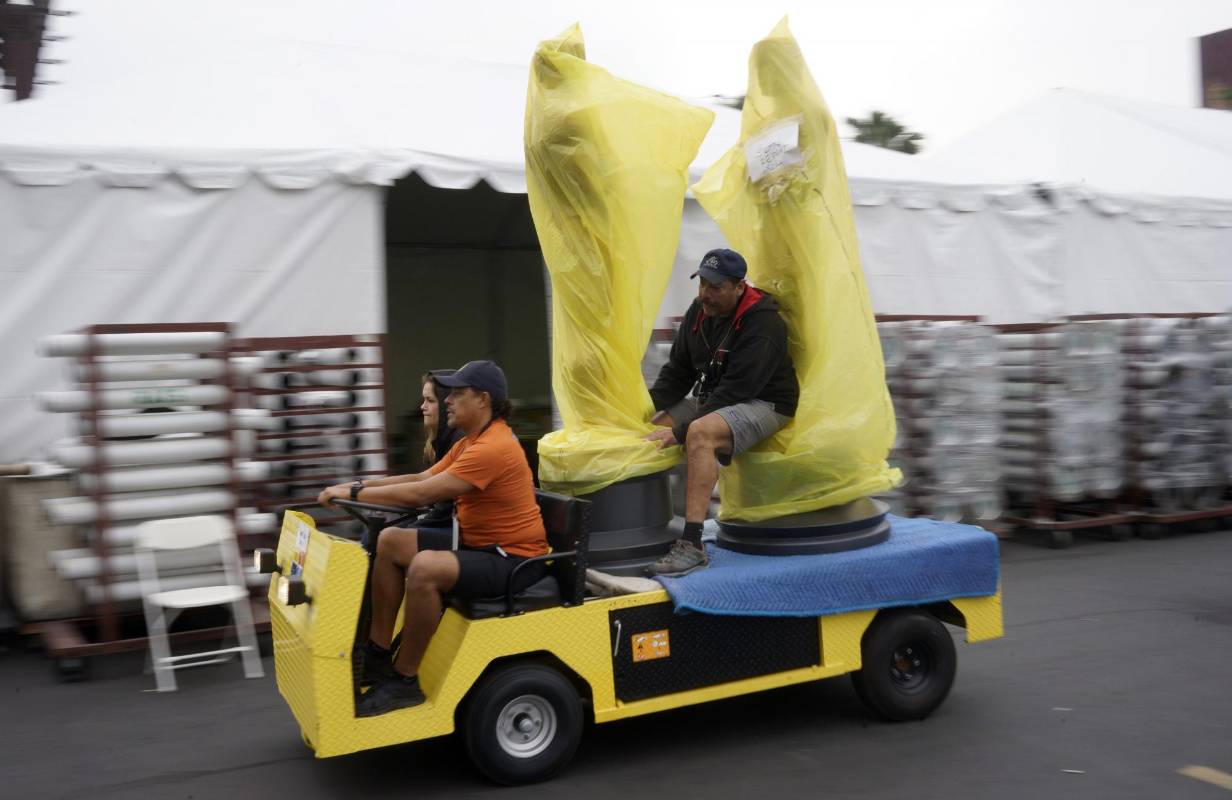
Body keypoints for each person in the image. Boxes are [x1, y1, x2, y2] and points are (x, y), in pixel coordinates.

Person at [318, 360, 548, 716]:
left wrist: (355, 493)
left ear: (483, 400)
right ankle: (379, 654)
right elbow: (419, 478)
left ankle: (404, 680)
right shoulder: (473, 441)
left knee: (425, 568)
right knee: (389, 541)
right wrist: (353, 487)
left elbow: (418, 496)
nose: (448, 401)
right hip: (481, 546)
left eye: (458, 393)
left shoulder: (492, 448)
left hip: (512, 559)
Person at [643, 248, 799, 576]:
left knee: (698, 432)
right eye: (702, 284)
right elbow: (678, 372)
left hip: (765, 401)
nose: (705, 294)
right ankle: (647, 524)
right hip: (719, 395)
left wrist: (681, 431)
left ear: (739, 287)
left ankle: (692, 544)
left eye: (715, 287)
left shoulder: (764, 322)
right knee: (650, 427)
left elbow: (738, 391)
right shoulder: (700, 312)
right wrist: (643, 409)